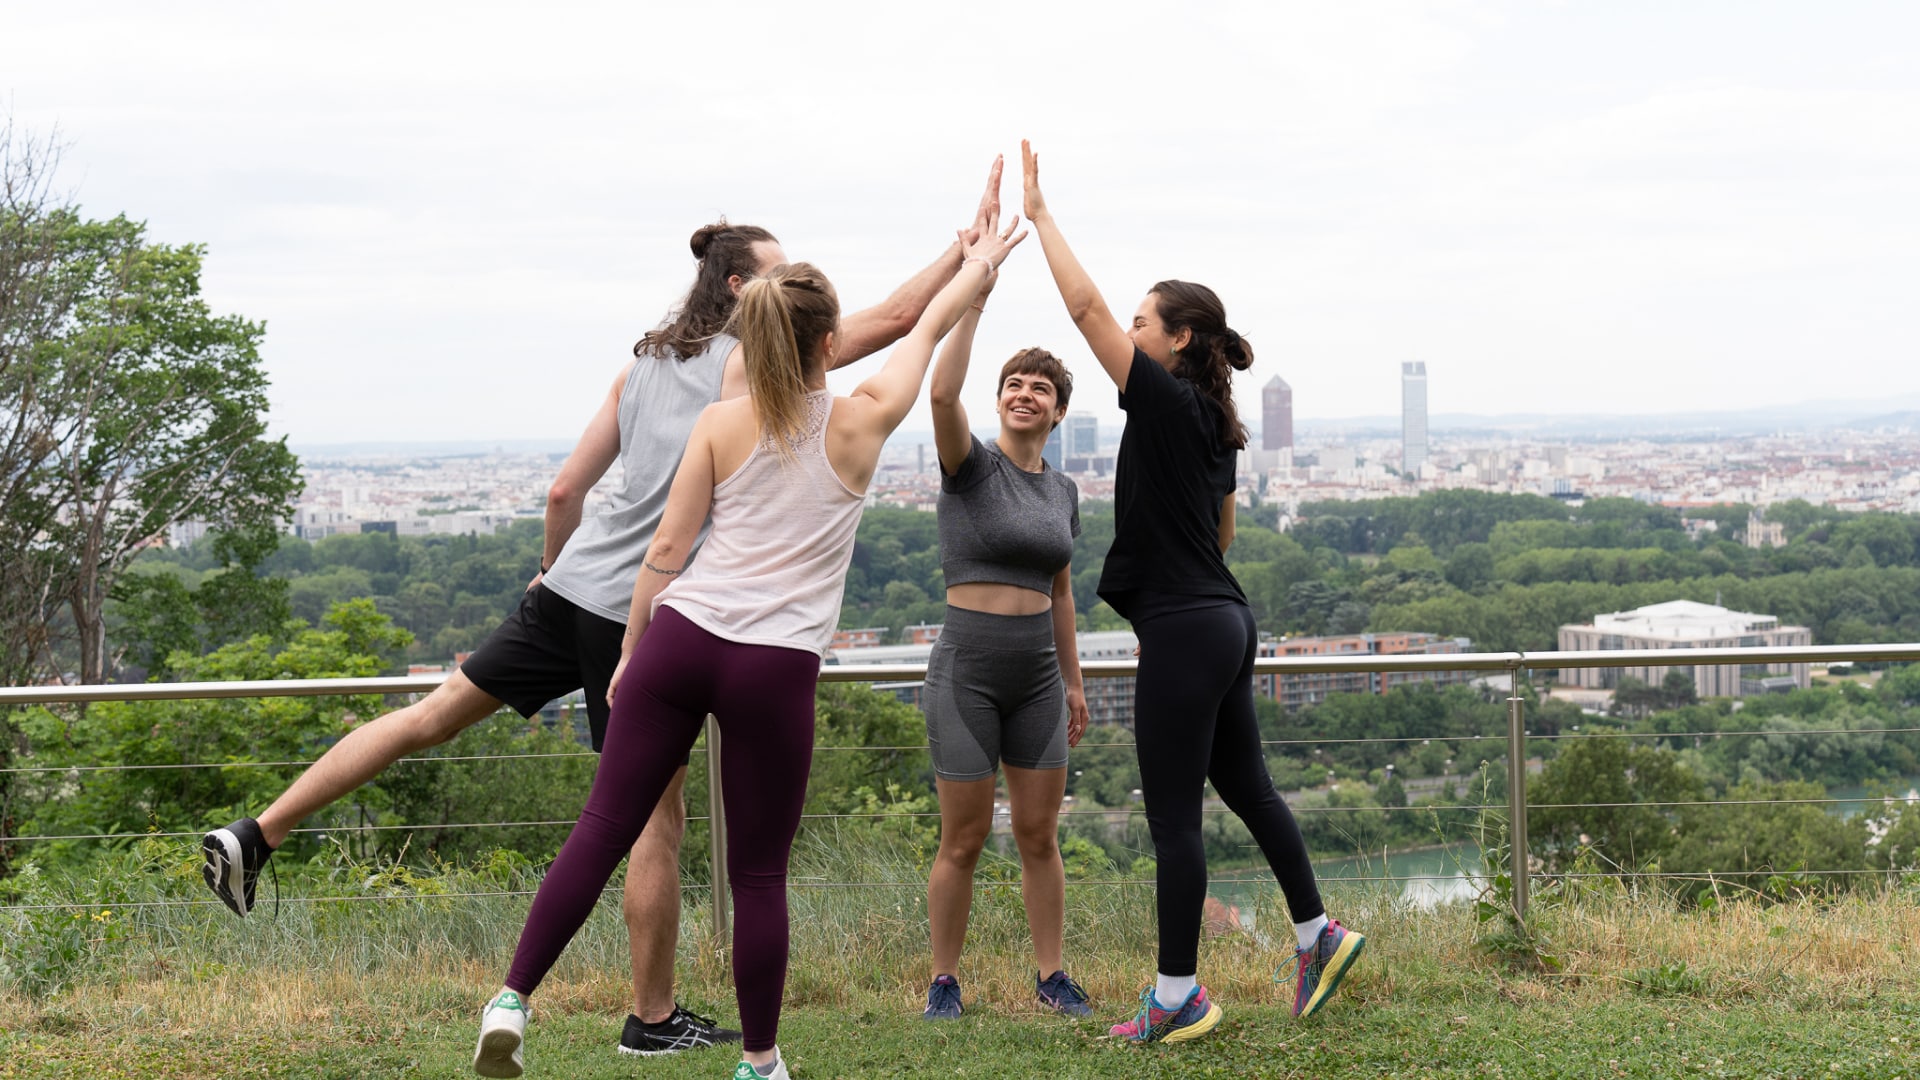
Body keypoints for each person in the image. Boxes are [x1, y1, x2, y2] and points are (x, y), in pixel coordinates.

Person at [201, 161, 1007, 1058]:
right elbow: (903, 324)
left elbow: (562, 490)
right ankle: (653, 1018)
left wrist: (552, 583)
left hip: (573, 587)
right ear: (746, 293)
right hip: (661, 617)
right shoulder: (757, 364)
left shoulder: (647, 362)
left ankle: (259, 831)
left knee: (433, 718)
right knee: (657, 824)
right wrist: (968, 253)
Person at [471, 213, 1028, 1079]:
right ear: (830, 341)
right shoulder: (865, 418)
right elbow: (923, 329)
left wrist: (628, 656)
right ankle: (760, 1060)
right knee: (758, 876)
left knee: (601, 828)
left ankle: (511, 998)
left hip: (679, 639)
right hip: (773, 665)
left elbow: (663, 553)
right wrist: (980, 263)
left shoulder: (721, 424)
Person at [1019, 140, 1364, 1042]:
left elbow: (1085, 307)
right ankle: (1317, 933)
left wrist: (1042, 215)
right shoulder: (1217, 419)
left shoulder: (1167, 404)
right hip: (1224, 620)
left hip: (1188, 627)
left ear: (1176, 339)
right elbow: (1225, 535)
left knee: (1175, 818)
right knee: (1247, 786)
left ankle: (1178, 997)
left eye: (1144, 325)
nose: (1127, 334)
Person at [918, 269, 1092, 1021]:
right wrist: (974, 300)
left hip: (1038, 677)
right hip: (967, 669)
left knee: (1037, 834)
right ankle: (944, 982)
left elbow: (1060, 590)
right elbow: (939, 395)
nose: (1025, 393)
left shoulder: (1064, 491)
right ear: (999, 401)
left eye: (1040, 388)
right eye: (1014, 384)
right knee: (962, 838)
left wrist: (1076, 683)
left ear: (1058, 411)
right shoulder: (972, 466)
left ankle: (1051, 976)